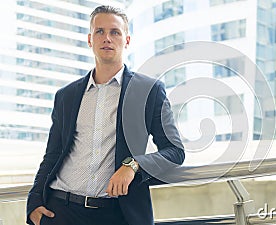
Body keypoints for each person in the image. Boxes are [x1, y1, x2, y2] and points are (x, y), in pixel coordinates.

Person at [26, 5, 185, 225]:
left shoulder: (149, 92)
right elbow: (52, 155)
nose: (107, 38)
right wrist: (33, 203)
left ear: (126, 40)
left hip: (117, 213)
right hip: (61, 210)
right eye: (99, 31)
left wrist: (133, 165)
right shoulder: (66, 96)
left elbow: (175, 152)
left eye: (115, 32)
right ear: (90, 39)